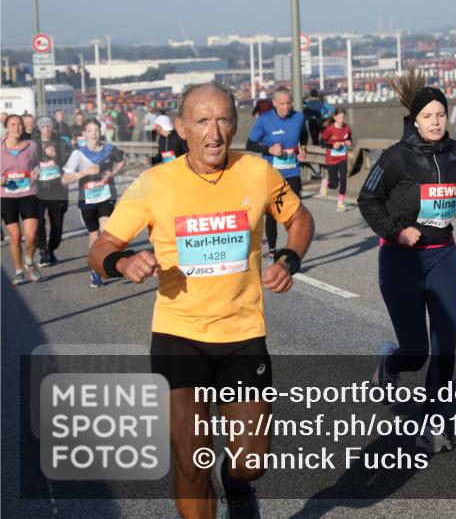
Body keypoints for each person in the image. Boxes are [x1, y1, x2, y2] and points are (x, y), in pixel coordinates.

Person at [89, 81, 315, 519]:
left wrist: (289, 258)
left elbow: (300, 218)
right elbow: (101, 247)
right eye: (202, 122)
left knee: (250, 462)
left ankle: (237, 483)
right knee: (191, 462)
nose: (214, 133)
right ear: (181, 128)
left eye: (224, 120)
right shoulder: (155, 183)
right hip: (179, 336)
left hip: (242, 334)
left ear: (236, 123)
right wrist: (121, 261)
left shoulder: (257, 172)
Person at [358, 71, 456, 453]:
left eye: (440, 115)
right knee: (416, 353)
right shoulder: (396, 157)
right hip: (402, 260)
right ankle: (390, 365)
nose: (436, 122)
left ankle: (432, 424)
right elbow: (368, 200)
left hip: (443, 257)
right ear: (415, 121)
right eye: (428, 116)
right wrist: (397, 232)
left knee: (445, 347)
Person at [62, 118, 126, 288]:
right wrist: (83, 173)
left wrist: (112, 174)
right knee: (94, 234)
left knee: (106, 231)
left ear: (100, 132)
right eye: (89, 131)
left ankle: (107, 265)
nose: (93, 134)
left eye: (96, 130)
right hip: (87, 199)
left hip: (106, 196)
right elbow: (65, 179)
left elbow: (122, 160)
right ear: (84, 133)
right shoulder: (78, 154)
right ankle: (95, 269)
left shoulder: (109, 149)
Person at [246, 86, 308, 260]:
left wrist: (303, 148)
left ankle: (292, 251)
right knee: (272, 215)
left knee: (295, 213)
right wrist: (269, 149)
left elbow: (304, 134)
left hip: (292, 171)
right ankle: (273, 251)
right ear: (274, 103)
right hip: (271, 174)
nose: (286, 107)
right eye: (282, 104)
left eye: (289, 103)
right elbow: (250, 144)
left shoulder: (298, 117)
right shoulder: (265, 120)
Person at [1, 115, 42, 285]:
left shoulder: (32, 146)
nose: (16, 128)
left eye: (19, 124)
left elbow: (39, 164)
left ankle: (29, 262)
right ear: (6, 127)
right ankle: (19, 271)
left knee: (31, 235)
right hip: (6, 196)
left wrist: (37, 171)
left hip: (28, 193)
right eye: (12, 125)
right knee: (15, 236)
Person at [34, 116, 72, 267]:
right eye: (43, 127)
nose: (46, 129)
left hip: (57, 189)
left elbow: (70, 163)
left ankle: (51, 249)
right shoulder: (33, 144)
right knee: (38, 222)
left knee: (57, 224)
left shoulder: (61, 143)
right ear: (39, 129)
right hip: (38, 189)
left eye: (49, 126)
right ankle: (43, 250)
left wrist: (57, 157)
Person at [320, 107, 352, 211]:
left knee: (343, 179)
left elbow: (349, 138)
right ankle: (326, 183)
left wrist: (349, 142)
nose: (341, 120)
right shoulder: (330, 129)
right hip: (331, 159)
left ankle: (340, 203)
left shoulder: (346, 128)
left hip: (343, 157)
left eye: (343, 117)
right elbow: (322, 143)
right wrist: (332, 145)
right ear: (335, 117)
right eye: (339, 118)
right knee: (334, 184)